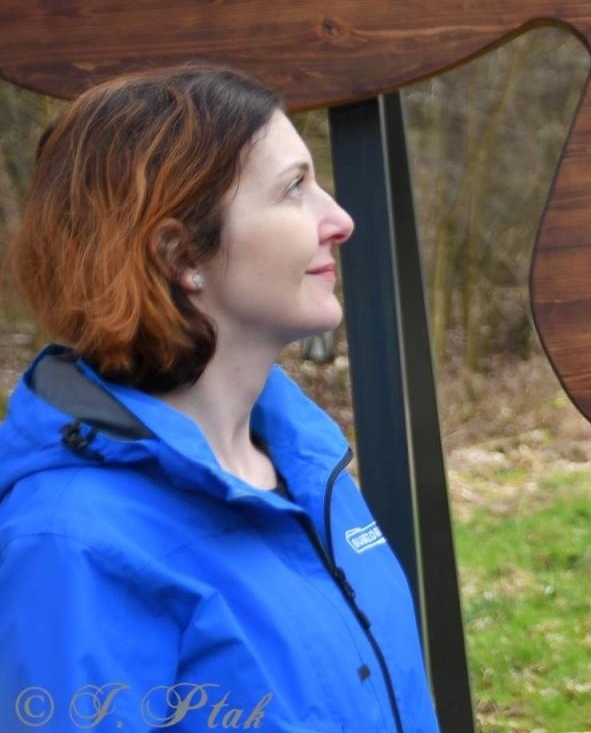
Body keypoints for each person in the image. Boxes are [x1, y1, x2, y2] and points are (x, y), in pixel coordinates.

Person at [0, 67, 441, 731]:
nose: (340, 220)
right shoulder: (71, 544)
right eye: (294, 188)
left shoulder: (306, 471)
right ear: (181, 254)